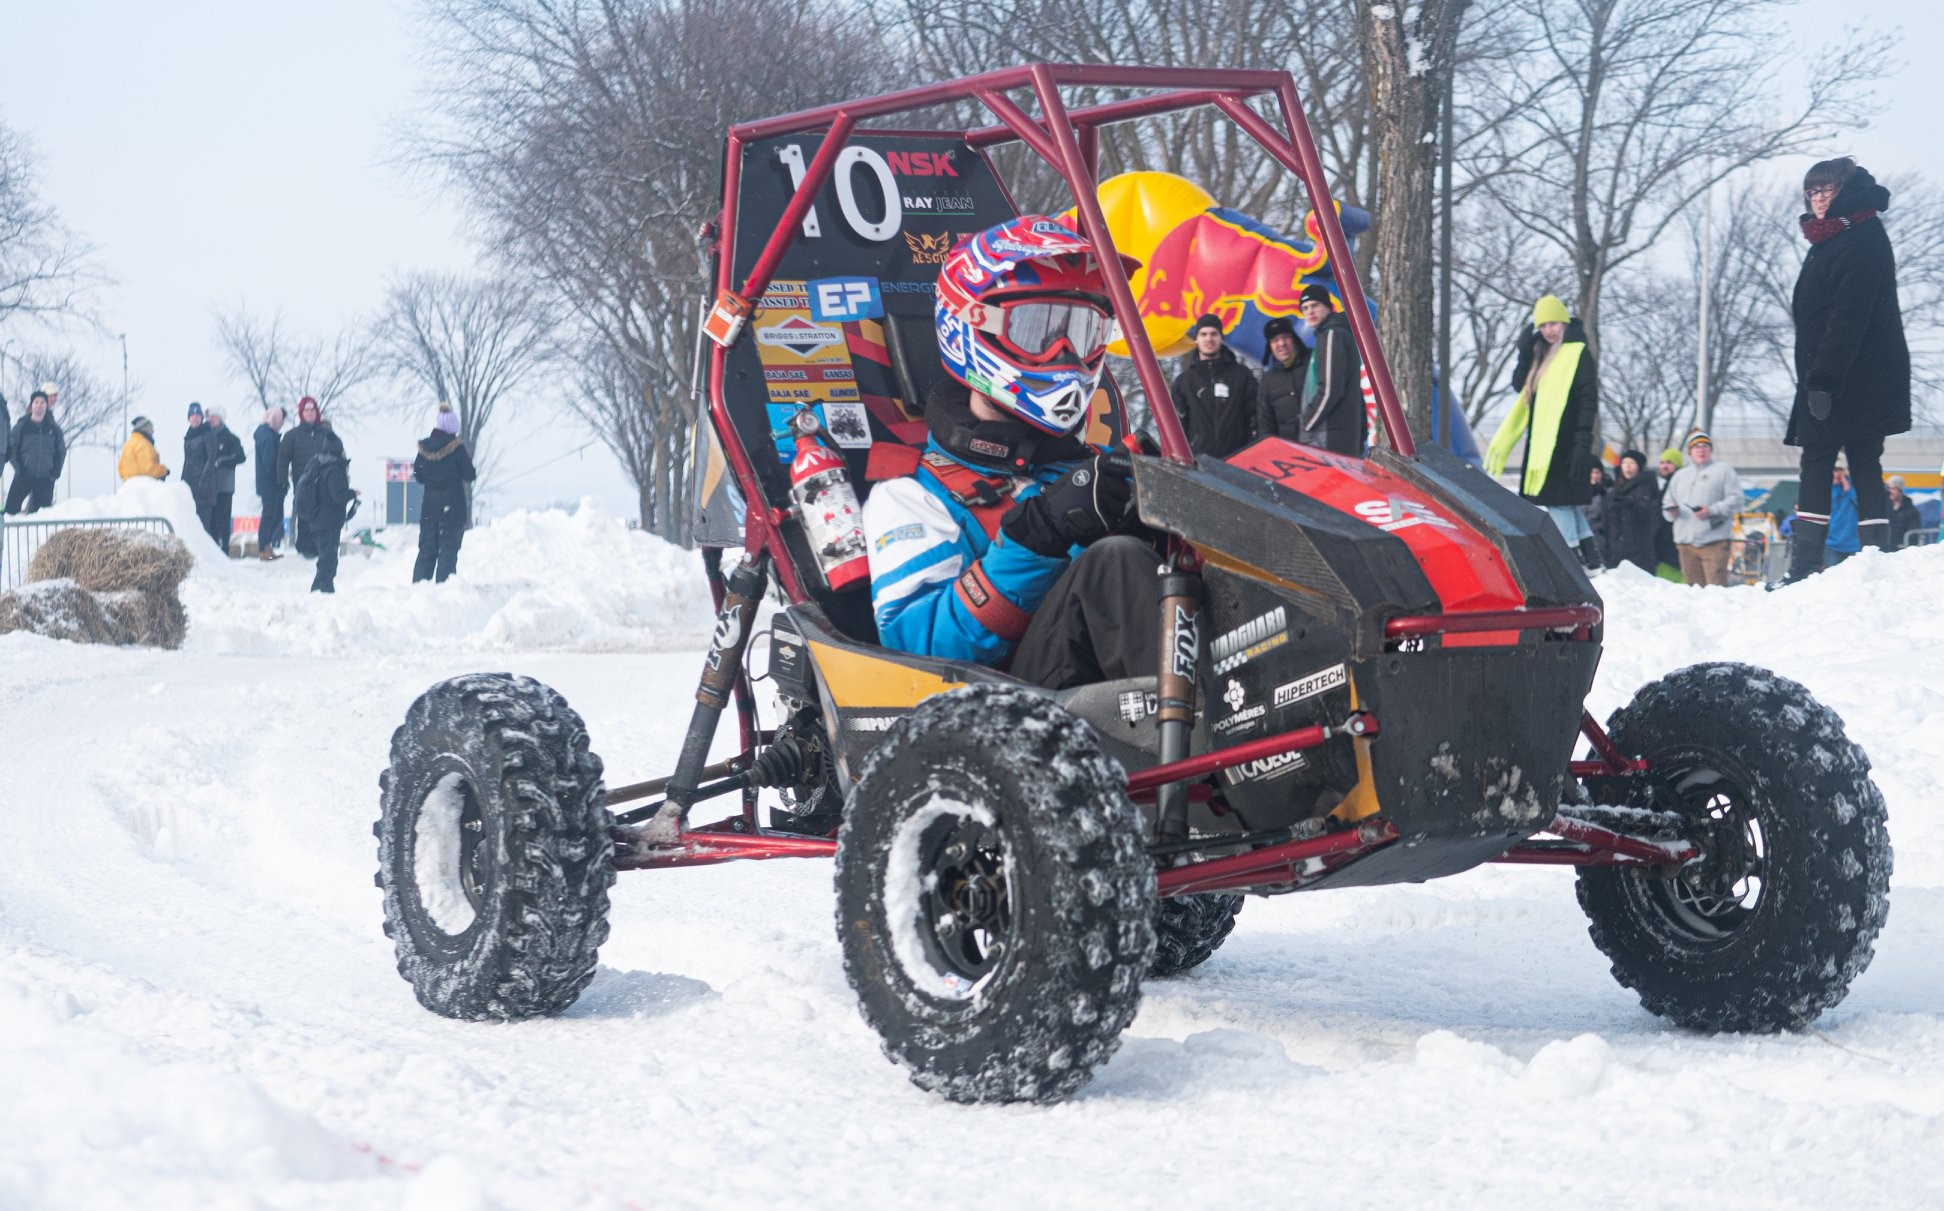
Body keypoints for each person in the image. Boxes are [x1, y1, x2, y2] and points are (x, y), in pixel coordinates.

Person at [863, 214, 1155, 689]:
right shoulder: (909, 496)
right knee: (1113, 563)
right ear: (972, 325)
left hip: (1120, 699)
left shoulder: (1094, 470)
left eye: (1081, 333)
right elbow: (915, 652)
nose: (1064, 354)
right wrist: (1037, 536)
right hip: (1010, 716)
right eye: (1038, 329)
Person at [1783, 157, 1910, 582]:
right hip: (1844, 375)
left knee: (1838, 460)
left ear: (1845, 191)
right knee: (1849, 460)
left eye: (1825, 191)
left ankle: (1819, 566)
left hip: (1848, 377)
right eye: (1811, 192)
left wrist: (1823, 380)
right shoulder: (1837, 237)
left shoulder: (1860, 236)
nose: (1817, 200)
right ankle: (1869, 561)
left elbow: (1849, 316)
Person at [1486, 295, 1602, 567]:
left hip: (1567, 441)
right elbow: (1519, 386)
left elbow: (1588, 400)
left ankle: (1571, 561)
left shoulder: (1577, 352)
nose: (1549, 330)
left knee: (1558, 502)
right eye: (1544, 325)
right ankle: (1591, 560)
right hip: (1543, 443)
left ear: (1564, 322)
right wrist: (1524, 353)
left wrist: (1582, 441)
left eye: (1554, 324)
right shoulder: (1540, 353)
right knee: (1566, 504)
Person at [1169, 312, 1258, 459]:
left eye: (1213, 334)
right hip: (1200, 462)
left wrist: (1251, 448)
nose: (1209, 339)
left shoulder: (1242, 376)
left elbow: (1256, 416)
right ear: (1196, 339)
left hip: (1238, 461)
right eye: (1203, 334)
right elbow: (1176, 427)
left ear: (1221, 338)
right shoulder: (1184, 382)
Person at [1661, 430, 1742, 587]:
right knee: (1693, 591)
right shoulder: (1680, 475)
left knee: (1715, 590)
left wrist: (1712, 510)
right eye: (1696, 446)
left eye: (1705, 446)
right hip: (1686, 544)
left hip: (1715, 542)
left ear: (1710, 450)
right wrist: (1671, 511)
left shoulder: (1723, 470)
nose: (1701, 449)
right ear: (1690, 451)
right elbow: (1667, 502)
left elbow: (1737, 500)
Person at [1291, 283, 1364, 456]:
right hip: (1339, 434)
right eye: (1305, 308)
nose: (1310, 311)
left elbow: (1331, 389)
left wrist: (1307, 422)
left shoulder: (1332, 335)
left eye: (1315, 305)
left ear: (1327, 307)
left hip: (1330, 435)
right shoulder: (1334, 333)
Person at [412, 404, 478, 583]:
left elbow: (418, 475)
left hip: (429, 509)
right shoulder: (456, 448)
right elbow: (470, 474)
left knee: (426, 550)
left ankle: (418, 591)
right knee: (448, 552)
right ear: (452, 429)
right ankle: (444, 592)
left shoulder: (424, 449)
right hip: (452, 509)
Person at [277, 397, 343, 557]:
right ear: (301, 413)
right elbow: (282, 460)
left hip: (325, 484)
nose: (310, 413)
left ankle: (321, 547)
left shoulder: (327, 434)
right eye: (306, 411)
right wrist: (282, 481)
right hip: (302, 483)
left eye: (313, 410)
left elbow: (339, 455)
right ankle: (304, 548)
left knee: (322, 516)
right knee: (304, 513)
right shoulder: (292, 435)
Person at [295, 441, 357, 593]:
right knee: (328, 557)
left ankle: (321, 586)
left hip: (317, 519)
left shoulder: (319, 466)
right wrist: (352, 493)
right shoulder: (333, 469)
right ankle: (323, 587)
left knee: (325, 555)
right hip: (328, 520)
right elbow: (338, 496)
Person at [1599, 449, 1662, 574]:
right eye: (1624, 463)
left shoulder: (1645, 488)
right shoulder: (1614, 491)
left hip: (1638, 552)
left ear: (1639, 467)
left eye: (1632, 463)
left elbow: (1645, 515)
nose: (1627, 467)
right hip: (1614, 551)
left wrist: (1626, 505)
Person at [5, 389, 67, 514]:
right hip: (23, 476)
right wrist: (19, 469)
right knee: (10, 511)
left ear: (46, 406)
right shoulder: (22, 427)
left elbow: (61, 451)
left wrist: (55, 472)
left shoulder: (54, 429)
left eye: (42, 402)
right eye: (36, 402)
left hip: (46, 479)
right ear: (31, 405)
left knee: (42, 516)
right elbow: (12, 449)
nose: (39, 405)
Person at [195, 409, 246, 551]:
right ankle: (212, 550)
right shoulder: (204, 435)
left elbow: (240, 457)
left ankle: (224, 551)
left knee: (223, 521)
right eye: (208, 416)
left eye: (213, 417)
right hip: (207, 486)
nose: (210, 419)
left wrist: (222, 461)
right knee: (209, 522)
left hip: (224, 486)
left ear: (220, 419)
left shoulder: (230, 438)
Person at [1254, 315, 1309, 442]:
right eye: (1275, 340)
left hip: (1321, 448)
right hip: (1290, 454)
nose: (1281, 344)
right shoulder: (1267, 381)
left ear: (1293, 339)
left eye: (1285, 337)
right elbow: (1265, 425)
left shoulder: (1313, 362)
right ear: (1270, 346)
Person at [253, 406, 287, 560]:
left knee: (272, 515)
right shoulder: (268, 438)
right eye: (281, 420)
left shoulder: (264, 435)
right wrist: (280, 479)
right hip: (271, 484)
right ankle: (264, 547)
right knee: (270, 515)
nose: (282, 424)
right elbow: (271, 463)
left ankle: (266, 547)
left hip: (267, 484)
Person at [1652, 447, 1684, 580]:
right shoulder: (1662, 485)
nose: (1664, 466)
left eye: (1669, 462)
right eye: (1662, 462)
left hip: (1675, 544)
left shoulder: (1681, 484)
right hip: (1662, 545)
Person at [1823, 459, 1860, 567]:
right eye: (1834, 470)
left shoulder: (1852, 487)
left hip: (1852, 543)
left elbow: (1859, 502)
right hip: (1831, 543)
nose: (1836, 474)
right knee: (1832, 577)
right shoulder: (1827, 489)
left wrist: (1846, 486)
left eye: (1839, 470)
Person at [182, 402, 214, 527]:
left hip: (204, 487)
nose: (195, 418)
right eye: (192, 415)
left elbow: (211, 459)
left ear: (201, 418)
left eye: (197, 415)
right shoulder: (189, 436)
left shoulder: (207, 433)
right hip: (190, 484)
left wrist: (203, 481)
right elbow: (187, 461)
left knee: (203, 525)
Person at [118, 416, 169, 481]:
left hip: (128, 485)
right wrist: (164, 470)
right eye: (151, 428)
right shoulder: (143, 444)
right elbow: (148, 470)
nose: (153, 431)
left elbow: (120, 468)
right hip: (142, 485)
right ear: (145, 429)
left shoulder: (128, 444)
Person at [1582, 462, 1613, 568]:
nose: (1594, 475)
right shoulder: (1578, 492)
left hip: (1599, 536)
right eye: (1591, 472)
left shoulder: (1608, 493)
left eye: (1597, 472)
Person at [1887, 475, 1922, 549]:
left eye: (1893, 489)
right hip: (1886, 549)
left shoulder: (1911, 511)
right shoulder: (1885, 507)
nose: (1890, 491)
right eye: (1888, 489)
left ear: (1900, 491)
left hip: (1902, 550)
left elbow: (1913, 534)